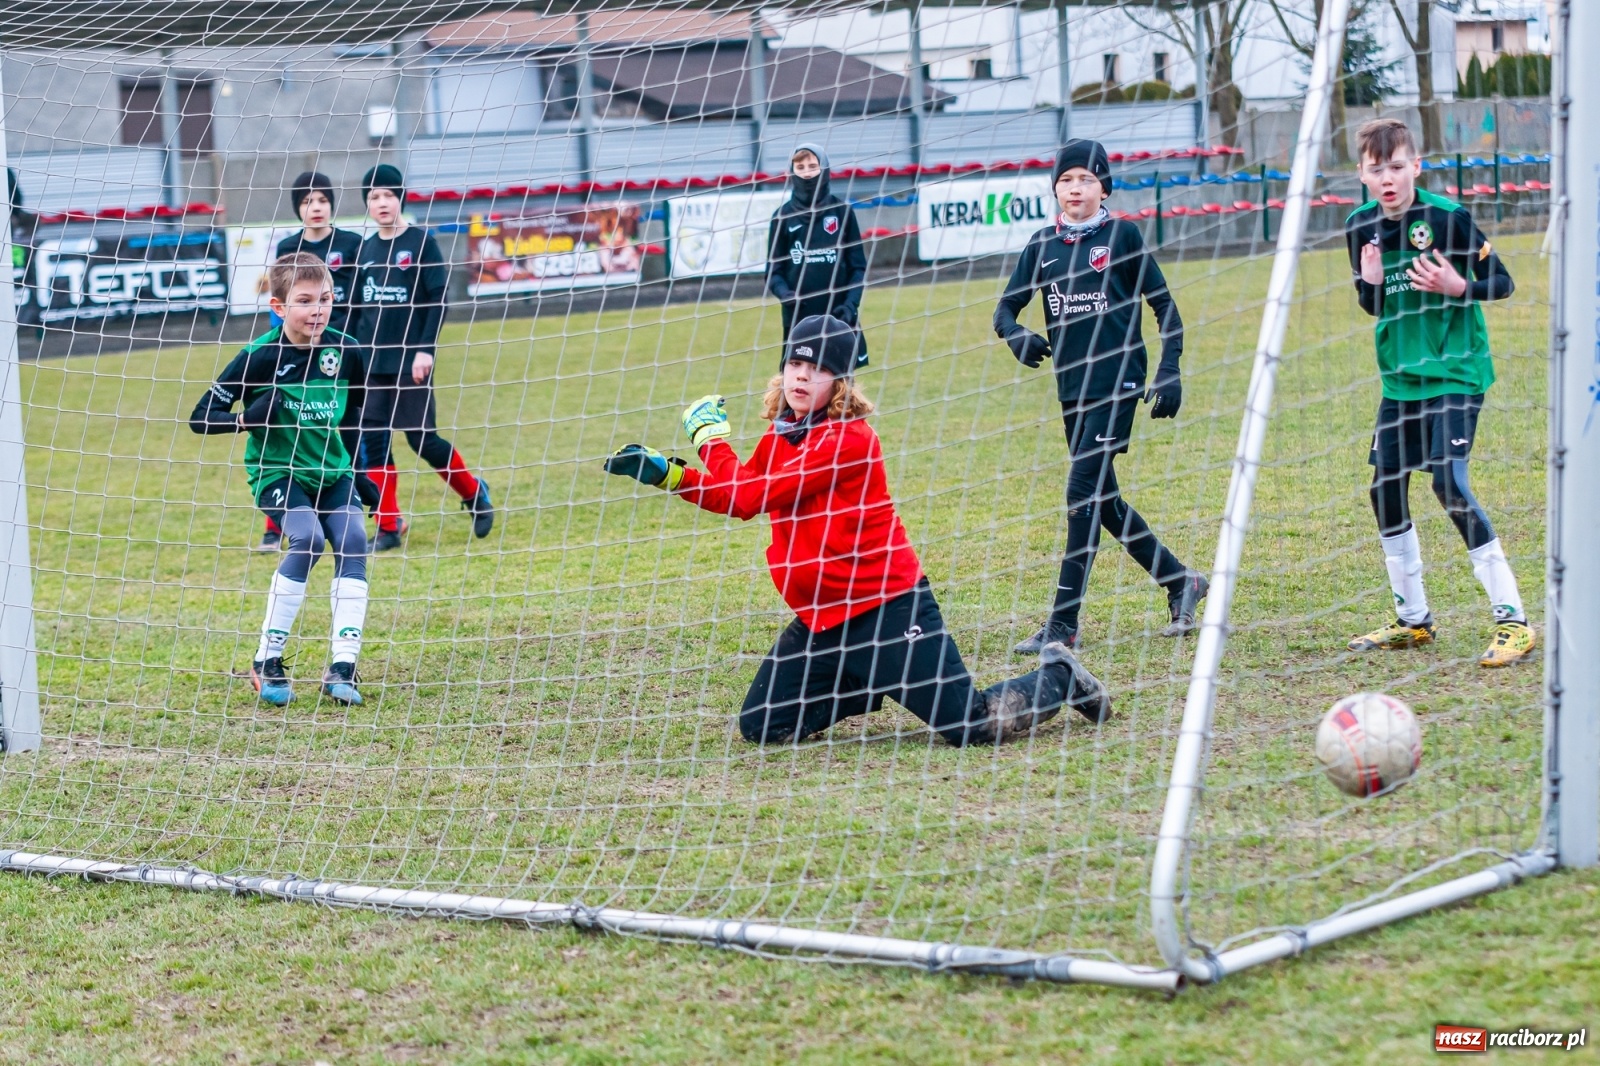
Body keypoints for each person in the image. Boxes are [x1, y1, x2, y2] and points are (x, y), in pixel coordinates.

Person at [602, 314, 1110, 746]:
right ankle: (878, 679)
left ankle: (1060, 675)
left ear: (840, 382)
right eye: (795, 363)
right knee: (762, 725)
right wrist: (670, 475)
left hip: (887, 607)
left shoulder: (847, 438)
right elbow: (738, 496)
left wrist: (711, 441)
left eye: (818, 368)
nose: (802, 377)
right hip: (822, 619)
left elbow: (749, 495)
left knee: (968, 725)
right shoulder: (784, 434)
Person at [993, 139, 1206, 654]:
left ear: (1104, 187)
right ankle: (1181, 581)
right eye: (1066, 179)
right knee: (1103, 502)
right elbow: (1003, 311)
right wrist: (1017, 335)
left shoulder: (1123, 237)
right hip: (1072, 390)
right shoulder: (1041, 245)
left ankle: (1063, 623)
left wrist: (1169, 370)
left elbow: (1167, 311)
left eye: (1087, 179)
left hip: (1119, 386)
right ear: (1055, 189)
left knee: (1081, 494)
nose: (1075, 188)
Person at [1343, 118, 1533, 667]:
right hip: (1400, 378)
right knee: (1385, 488)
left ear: (1416, 166)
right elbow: (1371, 305)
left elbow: (1502, 282)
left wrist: (1459, 287)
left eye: (1397, 167)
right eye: (1376, 169)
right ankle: (1413, 620)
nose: (1387, 178)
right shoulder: (1359, 227)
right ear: (1362, 172)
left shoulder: (1448, 218)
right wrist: (1371, 283)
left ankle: (1513, 621)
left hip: (1456, 371)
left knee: (1448, 484)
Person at [188, 253, 372, 706]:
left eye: (325, 299)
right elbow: (199, 418)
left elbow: (355, 418)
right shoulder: (259, 356)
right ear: (277, 307)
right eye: (305, 301)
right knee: (307, 539)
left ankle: (342, 667)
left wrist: (363, 472)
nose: (318, 310)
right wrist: (247, 420)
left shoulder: (346, 350)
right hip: (278, 474)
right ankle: (265, 659)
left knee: (353, 541)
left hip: (332, 472)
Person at [352, 163, 494, 553]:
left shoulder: (420, 242)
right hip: (370, 366)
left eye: (387, 195)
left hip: (408, 363)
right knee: (373, 443)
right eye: (374, 197)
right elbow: (356, 310)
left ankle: (473, 491)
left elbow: (437, 300)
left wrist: (424, 349)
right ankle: (388, 526)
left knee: (422, 440)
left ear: (400, 198)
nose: (381, 203)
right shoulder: (365, 250)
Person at [254, 171, 366, 553]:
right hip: (297, 353)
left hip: (339, 354)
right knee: (283, 432)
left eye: (321, 200)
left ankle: (381, 517)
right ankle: (275, 527)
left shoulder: (352, 244)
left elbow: (362, 302)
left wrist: (344, 340)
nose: (314, 207)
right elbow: (281, 304)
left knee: (347, 428)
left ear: (332, 204)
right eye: (306, 201)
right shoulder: (288, 246)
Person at [766, 144, 869, 369]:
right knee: (799, 382)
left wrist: (850, 306)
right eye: (800, 166)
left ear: (825, 169)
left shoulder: (842, 212)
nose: (807, 172)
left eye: (813, 166)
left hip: (839, 316)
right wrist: (785, 294)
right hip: (798, 319)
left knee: (841, 386)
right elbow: (773, 273)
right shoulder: (783, 216)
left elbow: (858, 268)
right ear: (792, 171)